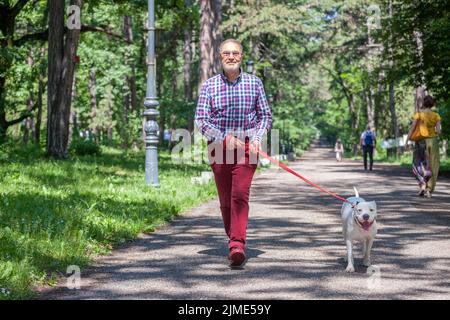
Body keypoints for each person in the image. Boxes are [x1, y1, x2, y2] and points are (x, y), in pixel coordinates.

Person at [195, 39, 272, 267]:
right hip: (218, 148)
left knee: (239, 195)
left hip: (248, 148)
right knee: (225, 200)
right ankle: (233, 237)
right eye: (226, 53)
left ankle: (237, 244)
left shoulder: (254, 83)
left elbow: (265, 116)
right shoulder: (209, 86)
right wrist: (223, 138)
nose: (231, 56)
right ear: (220, 57)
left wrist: (258, 138)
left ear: (241, 56)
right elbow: (201, 120)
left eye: (235, 53)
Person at [407, 95, 441, 198]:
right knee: (432, 165)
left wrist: (407, 140)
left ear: (424, 103)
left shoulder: (419, 115)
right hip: (433, 141)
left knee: (417, 162)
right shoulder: (436, 116)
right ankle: (429, 189)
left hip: (421, 140)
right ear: (432, 104)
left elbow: (413, 127)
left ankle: (422, 184)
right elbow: (438, 131)